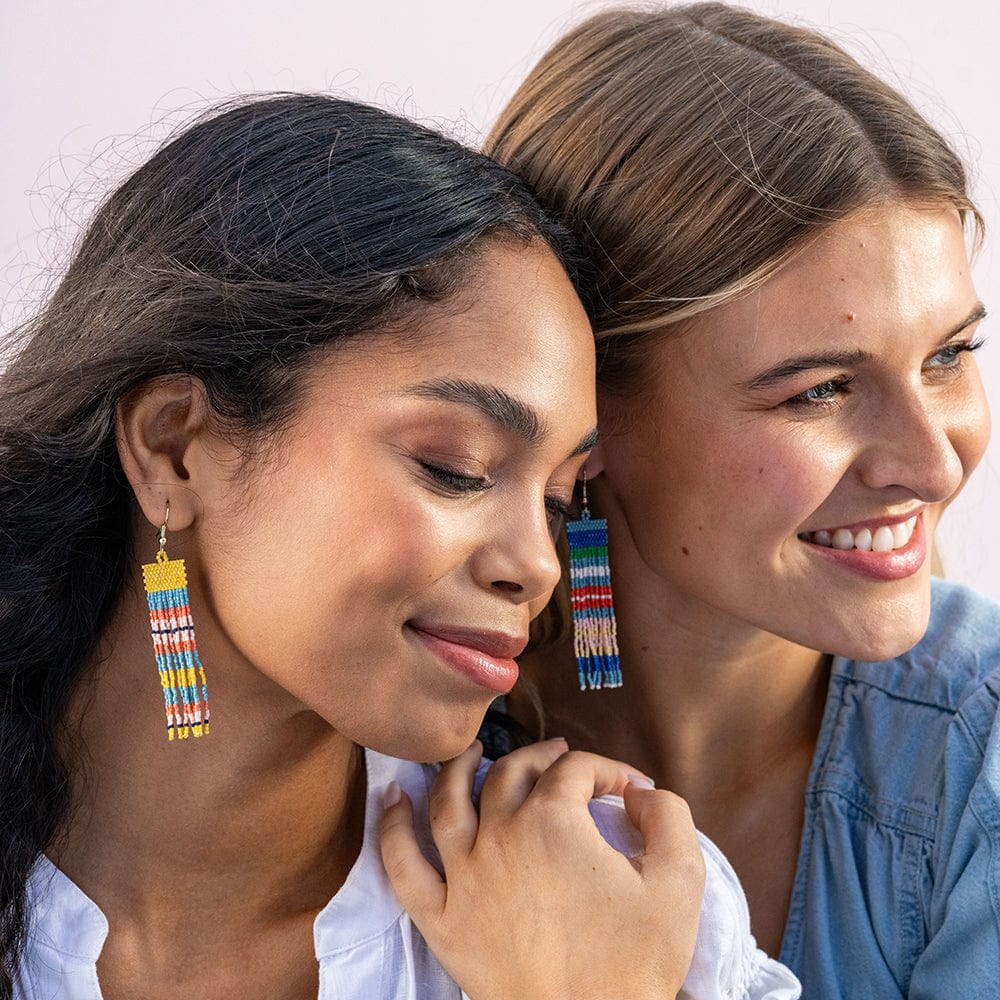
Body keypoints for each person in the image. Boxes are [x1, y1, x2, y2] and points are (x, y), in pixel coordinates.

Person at [0, 93, 799, 999]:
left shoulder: (630, 895)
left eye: (562, 499)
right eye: (454, 468)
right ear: (175, 446)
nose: (538, 566)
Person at [486, 3, 999, 996]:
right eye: (819, 388)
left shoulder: (978, 752)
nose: (932, 464)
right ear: (586, 411)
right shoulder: (400, 743)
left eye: (947, 356)